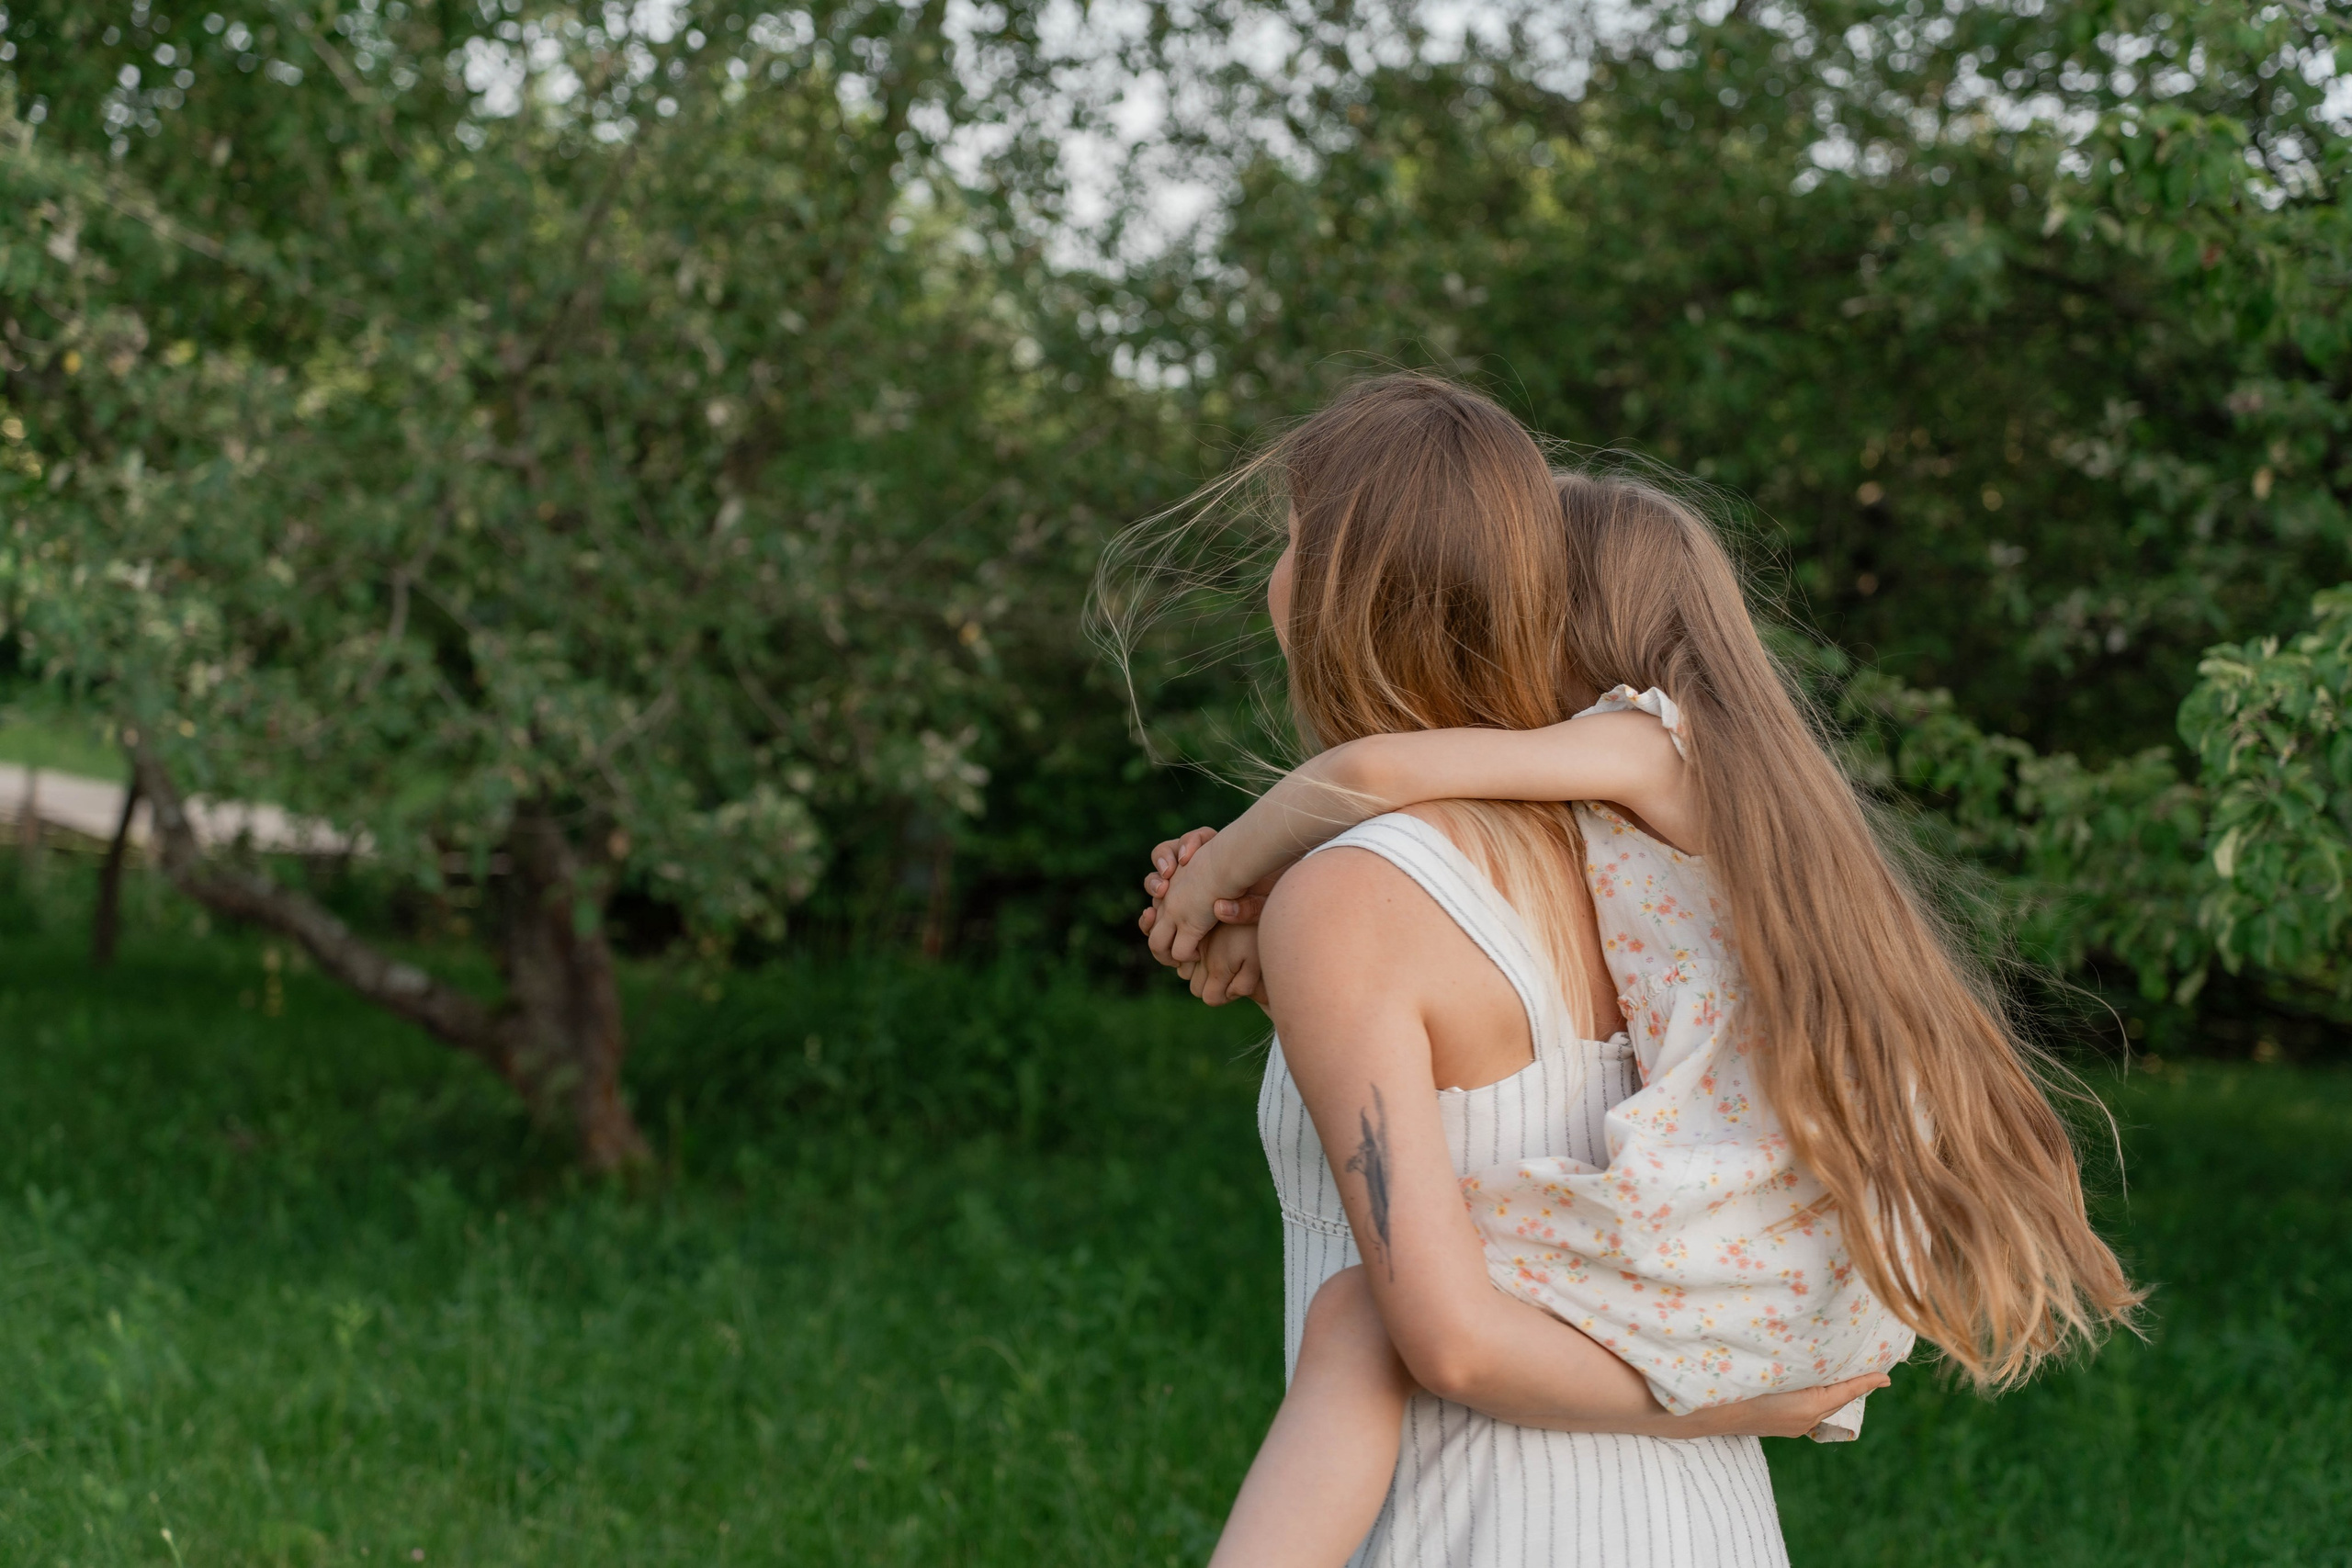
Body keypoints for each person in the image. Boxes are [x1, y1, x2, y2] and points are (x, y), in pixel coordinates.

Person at [1122, 373, 2143, 1567]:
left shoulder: (1395, 877)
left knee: (1362, 1319)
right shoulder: (1640, 862)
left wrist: (1251, 878)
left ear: (1347, 577)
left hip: (1479, 1528)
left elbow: (1443, 1333)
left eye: (1290, 540)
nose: (1270, 574)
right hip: (1703, 1527)